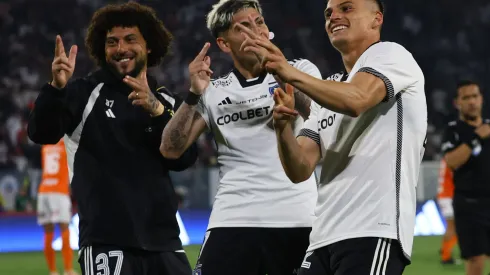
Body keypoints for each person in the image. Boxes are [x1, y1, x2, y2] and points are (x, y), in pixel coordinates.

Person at [238, 0, 427, 273]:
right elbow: (300, 168)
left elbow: (358, 99)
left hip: (373, 229)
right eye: (329, 13)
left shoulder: (391, 55)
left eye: (346, 8)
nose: (333, 16)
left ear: (376, 19)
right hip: (323, 236)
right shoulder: (329, 88)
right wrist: (282, 129)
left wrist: (287, 72)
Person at [27, 2, 197, 275]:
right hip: (106, 243)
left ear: (149, 45)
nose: (121, 49)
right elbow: (41, 133)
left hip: (164, 242)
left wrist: (156, 111)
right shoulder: (84, 93)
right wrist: (56, 89)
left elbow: (185, 158)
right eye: (112, 42)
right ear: (102, 49)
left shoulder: (166, 101)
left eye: (131, 39)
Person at [160, 0, 320, 274]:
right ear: (224, 44)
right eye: (243, 26)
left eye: (259, 22)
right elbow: (170, 149)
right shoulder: (214, 91)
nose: (256, 30)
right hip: (233, 218)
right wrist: (193, 94)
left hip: (297, 218)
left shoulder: (300, 69)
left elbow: (314, 111)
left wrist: (277, 68)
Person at [441, 80, 490, 275]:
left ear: (481, 99)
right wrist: (476, 138)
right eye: (466, 97)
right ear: (457, 103)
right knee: (476, 260)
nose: (472, 102)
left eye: (475, 96)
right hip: (469, 206)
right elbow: (452, 161)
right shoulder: (453, 131)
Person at [37, 139, 77, 275]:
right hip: (59, 191)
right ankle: (68, 269)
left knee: (48, 231)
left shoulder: (45, 144)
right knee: (65, 227)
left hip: (44, 190)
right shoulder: (66, 144)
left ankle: (52, 271)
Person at [436, 159, 458, 265]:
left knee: (452, 227)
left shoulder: (446, 159)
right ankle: (446, 256)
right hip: (448, 196)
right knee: (452, 227)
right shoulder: (452, 159)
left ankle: (445, 249)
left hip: (445, 196)